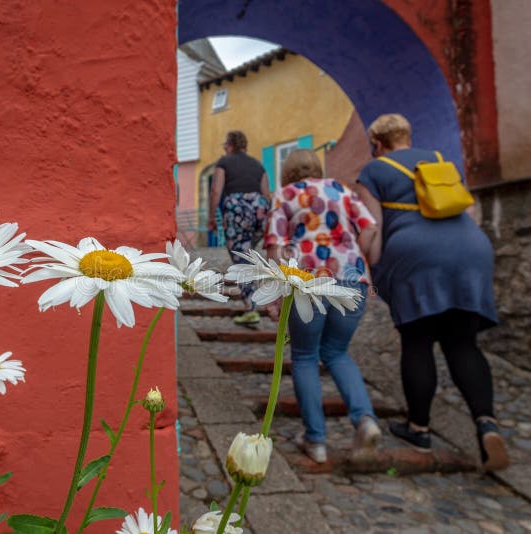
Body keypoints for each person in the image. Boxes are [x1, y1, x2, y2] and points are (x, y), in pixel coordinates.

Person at [355, 113, 509, 471]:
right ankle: (486, 424)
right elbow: (468, 210)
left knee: (417, 340)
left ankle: (418, 427)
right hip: (471, 249)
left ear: (377, 143)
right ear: (408, 136)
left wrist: (374, 269)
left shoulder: (374, 170)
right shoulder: (441, 160)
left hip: (417, 256)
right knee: (462, 343)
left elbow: (372, 228)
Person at [264, 149, 381, 464]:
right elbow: (370, 227)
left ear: (288, 173)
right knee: (337, 352)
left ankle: (315, 441)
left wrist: (276, 294)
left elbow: (275, 247)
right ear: (318, 169)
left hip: (308, 281)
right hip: (352, 280)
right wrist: (361, 259)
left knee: (305, 356)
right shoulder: (341, 190)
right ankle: (365, 419)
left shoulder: (285, 195)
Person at [208, 130, 271, 325]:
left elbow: (216, 189)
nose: (224, 148)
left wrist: (212, 216)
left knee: (240, 256)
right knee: (248, 253)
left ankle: (251, 307)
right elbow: (267, 194)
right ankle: (254, 296)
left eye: (225, 145)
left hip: (237, 209)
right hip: (259, 209)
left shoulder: (224, 162)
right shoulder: (258, 165)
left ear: (230, 145)